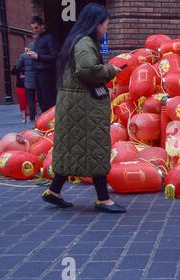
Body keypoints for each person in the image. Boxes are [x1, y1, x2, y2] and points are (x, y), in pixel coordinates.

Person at [42, 3, 125, 213]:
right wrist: (110, 70)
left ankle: (54, 191)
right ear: (96, 23)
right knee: (95, 148)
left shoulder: (77, 40)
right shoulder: (85, 42)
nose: (106, 27)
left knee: (74, 149)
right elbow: (87, 70)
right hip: (85, 106)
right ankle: (103, 199)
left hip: (76, 105)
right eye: (105, 23)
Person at [27, 16, 59, 112]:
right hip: (38, 73)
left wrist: (38, 56)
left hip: (46, 73)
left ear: (42, 26)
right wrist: (31, 52)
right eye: (32, 28)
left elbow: (55, 56)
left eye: (36, 27)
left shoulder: (49, 38)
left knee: (48, 101)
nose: (34, 30)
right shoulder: (38, 39)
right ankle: (44, 125)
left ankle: (52, 125)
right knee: (41, 101)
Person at [17, 41, 38, 122]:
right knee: (42, 98)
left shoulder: (24, 55)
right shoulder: (37, 54)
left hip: (28, 81)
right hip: (38, 79)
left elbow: (18, 65)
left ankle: (32, 118)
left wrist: (24, 71)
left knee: (30, 100)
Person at [10, 58, 28, 122]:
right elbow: (12, 72)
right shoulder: (18, 66)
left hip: (29, 85)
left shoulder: (29, 65)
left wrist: (25, 76)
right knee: (22, 101)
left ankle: (28, 114)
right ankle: (24, 115)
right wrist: (16, 67)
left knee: (29, 100)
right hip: (20, 86)